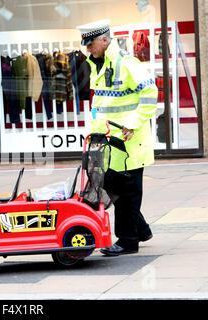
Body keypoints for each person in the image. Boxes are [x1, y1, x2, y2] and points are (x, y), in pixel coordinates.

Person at [76, 19, 157, 256]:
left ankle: (128, 241)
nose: (87, 49)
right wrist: (93, 132)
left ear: (104, 40)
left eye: (90, 44)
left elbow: (150, 92)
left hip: (128, 141)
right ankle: (140, 230)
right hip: (110, 143)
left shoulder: (126, 63)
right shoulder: (98, 65)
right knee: (114, 189)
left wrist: (132, 122)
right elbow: (102, 105)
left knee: (127, 193)